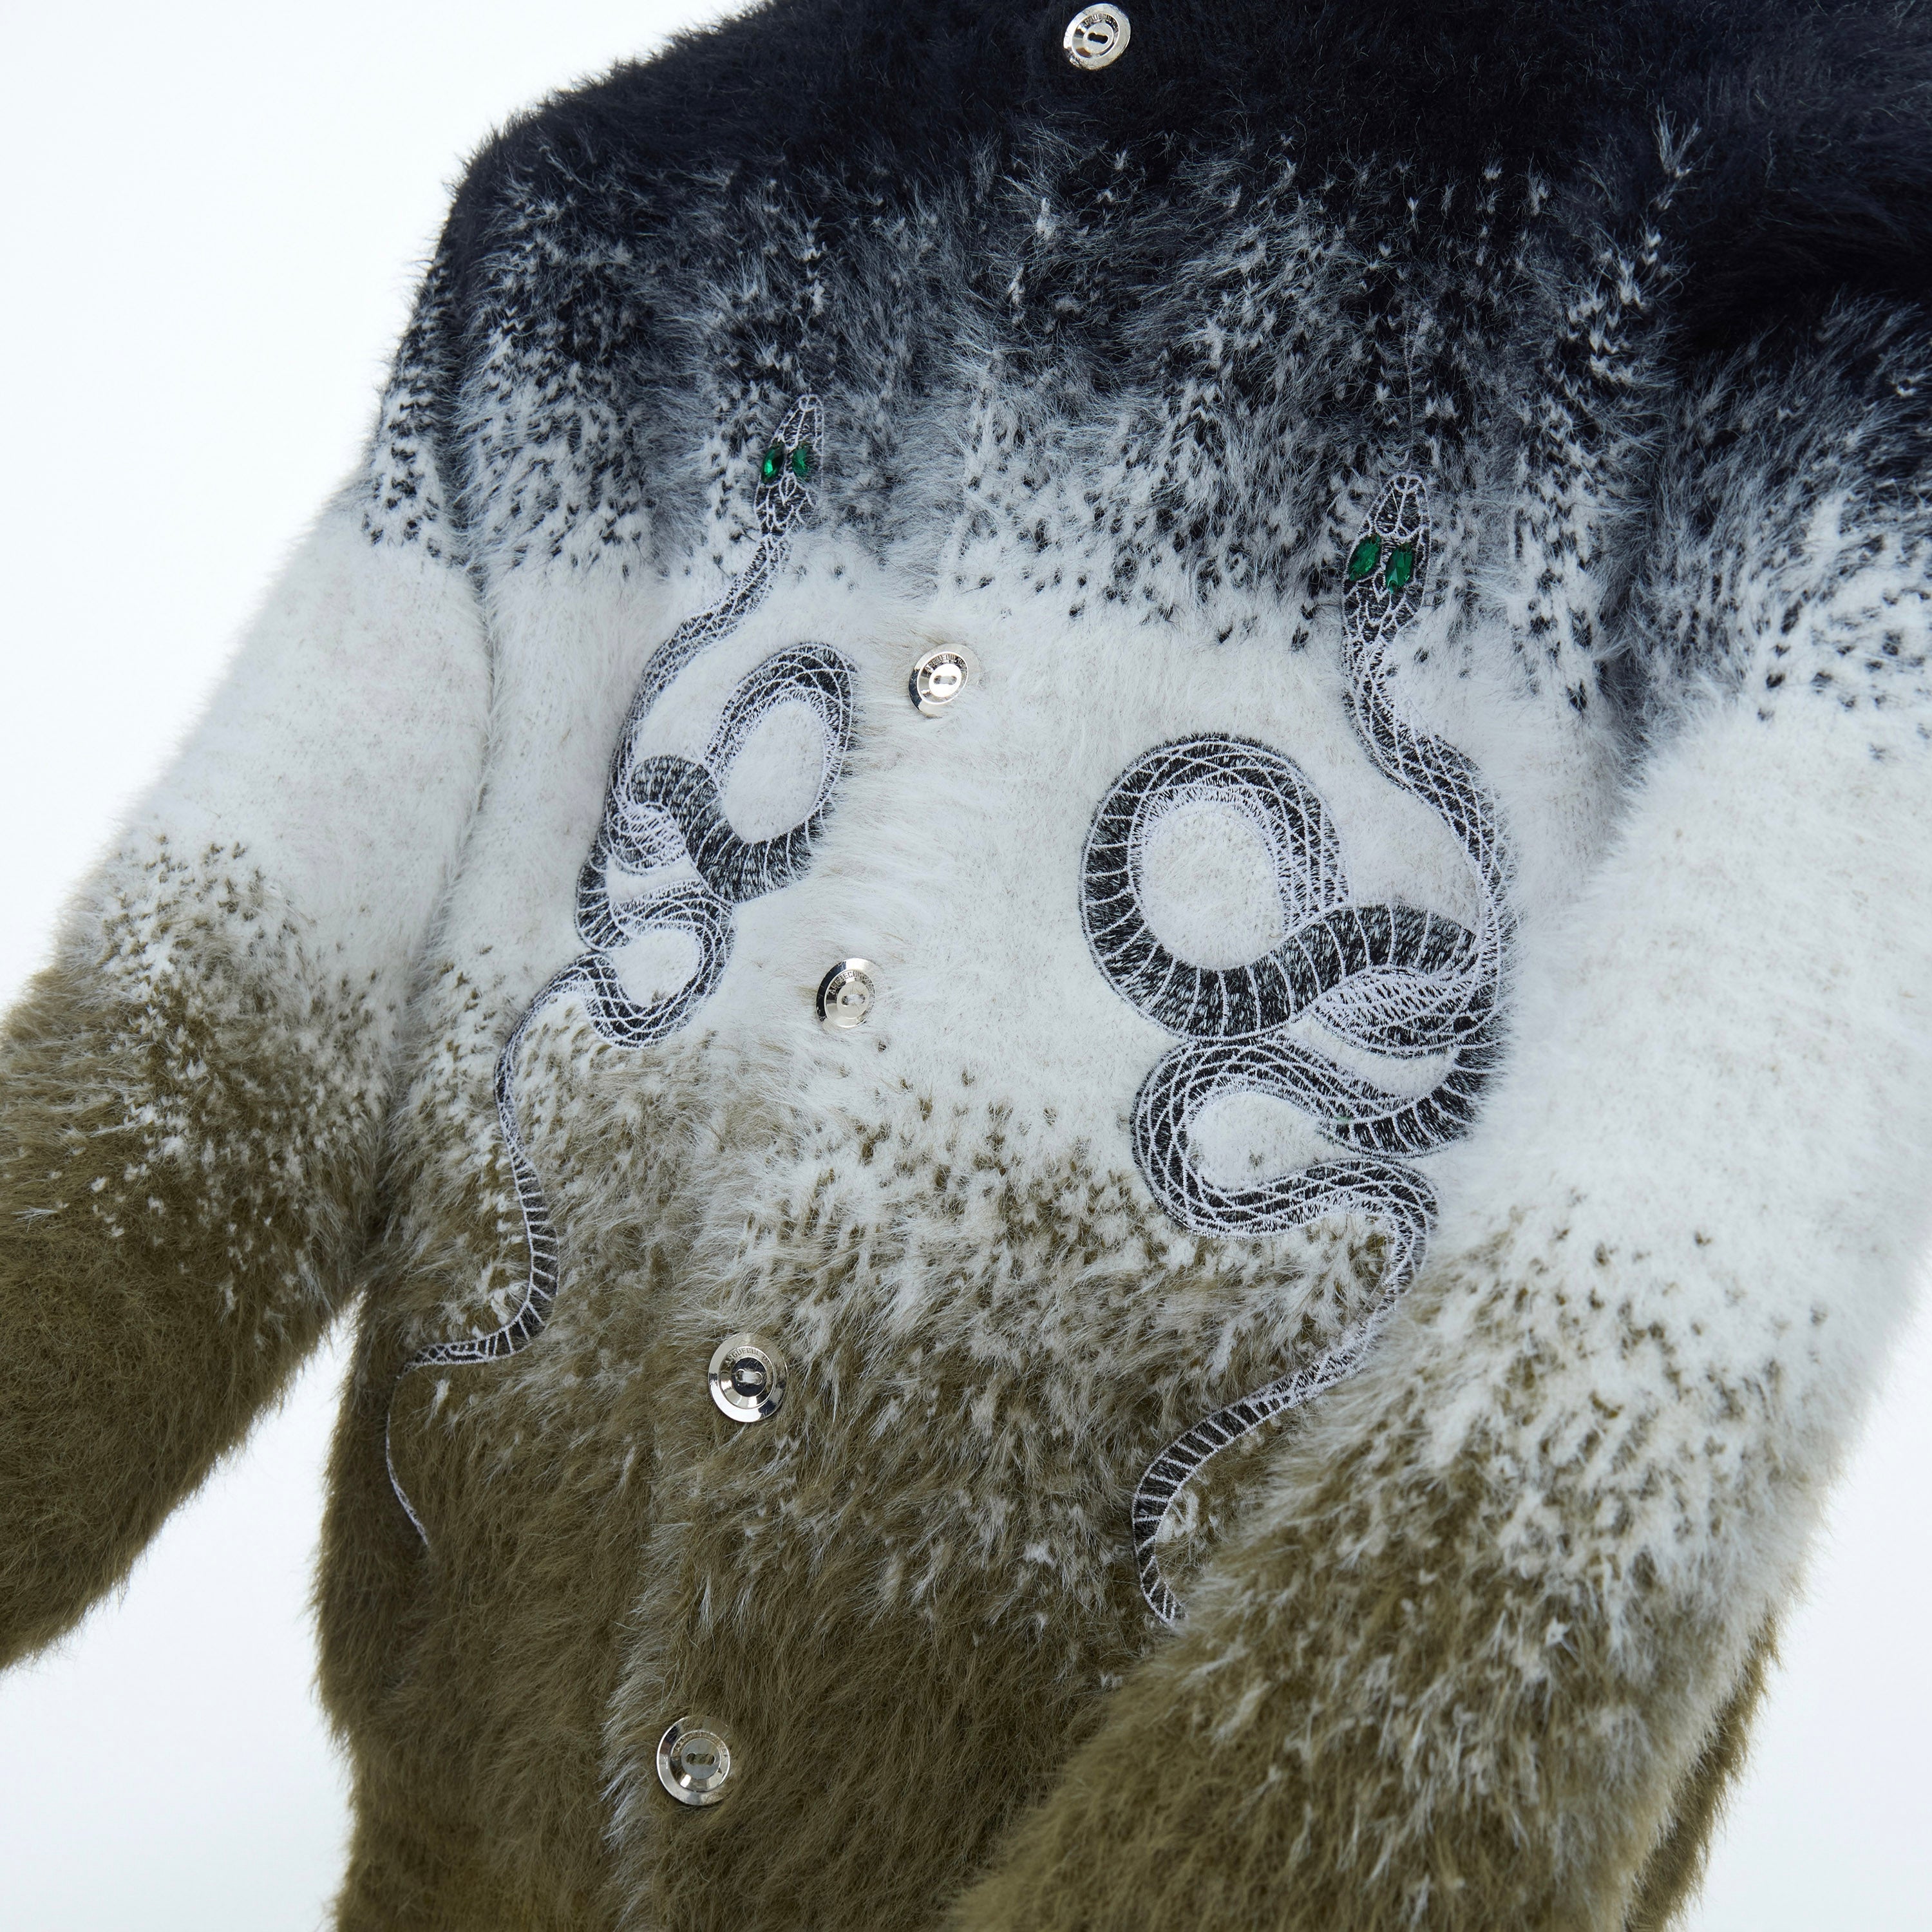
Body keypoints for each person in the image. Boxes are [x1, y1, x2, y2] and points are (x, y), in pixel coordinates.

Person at [4, 2, 1930, 1925]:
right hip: (480, 1852)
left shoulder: (1776, 208)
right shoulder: (610, 213)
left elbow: (1668, 1318)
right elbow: (216, 1024)